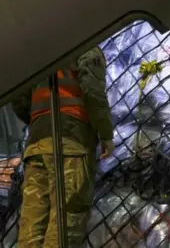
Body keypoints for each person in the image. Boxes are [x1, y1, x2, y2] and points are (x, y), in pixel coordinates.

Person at [12, 46, 115, 248]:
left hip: (37, 144)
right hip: (70, 143)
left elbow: (18, 98)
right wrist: (106, 134)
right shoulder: (87, 44)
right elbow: (92, 91)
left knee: (32, 223)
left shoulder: (37, 52)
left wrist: (40, 121)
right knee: (65, 221)